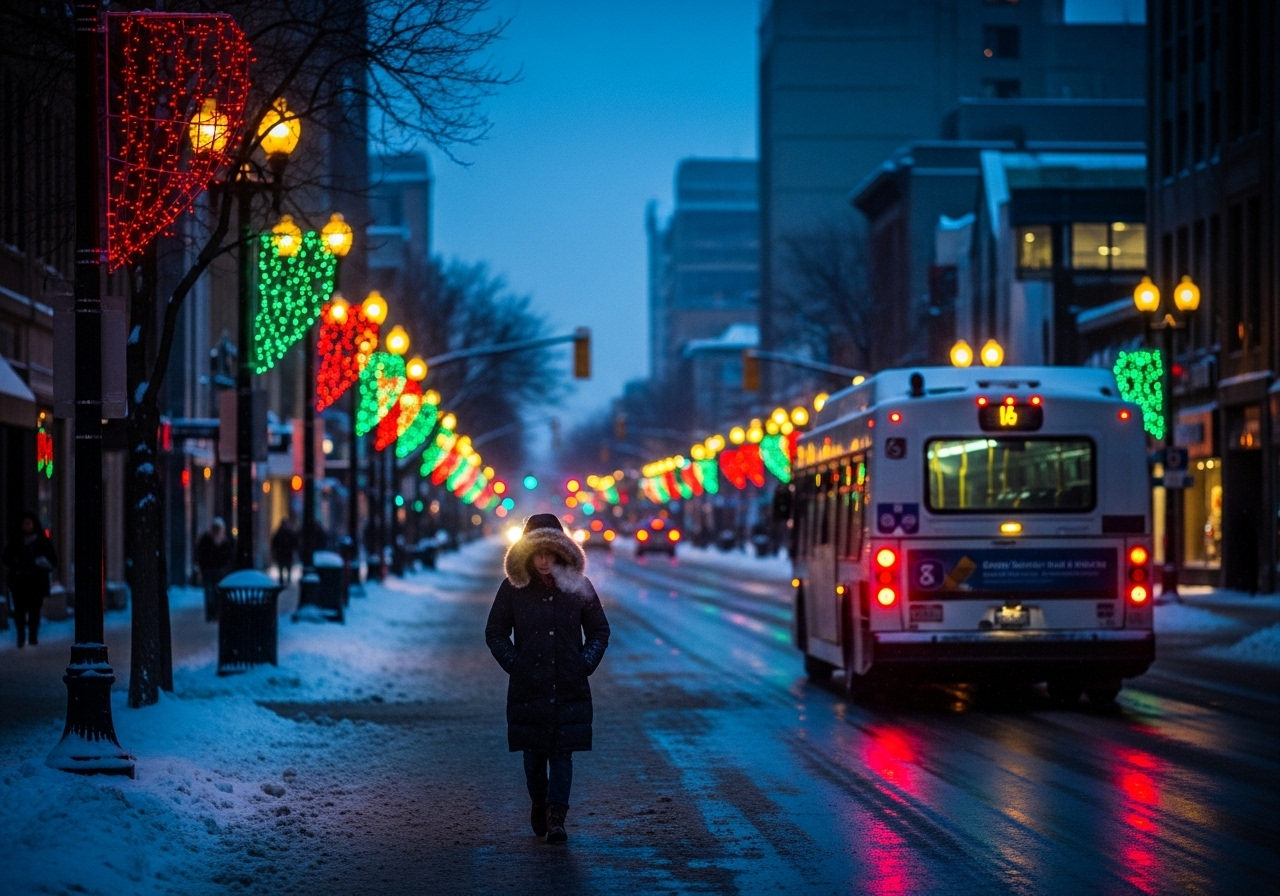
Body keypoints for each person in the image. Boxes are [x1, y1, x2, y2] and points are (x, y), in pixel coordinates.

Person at [485, 513, 610, 844]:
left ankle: (557, 817)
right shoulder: (515, 588)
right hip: (530, 686)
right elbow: (496, 631)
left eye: (550, 553)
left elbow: (599, 630)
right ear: (527, 554)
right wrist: (517, 663)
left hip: (568, 683)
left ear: (561, 553)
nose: (543, 561)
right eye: (537, 553)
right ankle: (539, 802)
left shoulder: (577, 587)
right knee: (534, 755)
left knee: (562, 753)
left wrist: (583, 664)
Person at [2, 511, 58, 648]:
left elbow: (52, 559)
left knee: (34, 611)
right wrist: (17, 564)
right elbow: (6, 558)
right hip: (19, 582)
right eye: (25, 523)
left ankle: (32, 636)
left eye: (29, 523)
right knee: (20, 611)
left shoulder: (41, 541)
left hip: (35, 582)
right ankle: (21, 637)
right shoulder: (16, 541)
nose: (27, 526)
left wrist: (40, 564)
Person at [195, 518, 236, 622]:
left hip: (219, 572)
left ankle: (216, 613)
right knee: (210, 594)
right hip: (210, 571)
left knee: (217, 594)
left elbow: (229, 556)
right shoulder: (206, 540)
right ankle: (211, 614)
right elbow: (201, 555)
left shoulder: (225, 542)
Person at [270, 519, 298, 586]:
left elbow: (274, 544)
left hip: (283, 554)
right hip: (284, 554)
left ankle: (283, 581)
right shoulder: (287, 533)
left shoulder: (281, 533)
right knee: (285, 568)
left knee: (284, 568)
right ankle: (285, 580)